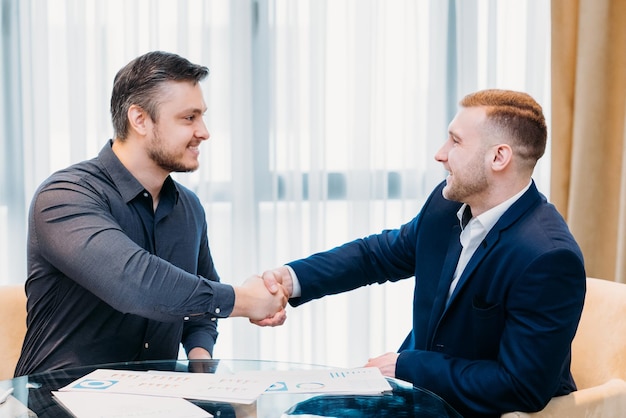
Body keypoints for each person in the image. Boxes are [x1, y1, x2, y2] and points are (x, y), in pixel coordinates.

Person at [259, 89, 586, 417]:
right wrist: (291, 279)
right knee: (299, 410)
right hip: (415, 393)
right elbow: (377, 255)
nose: (440, 154)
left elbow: (519, 386)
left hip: (472, 408)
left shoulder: (548, 257)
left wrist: (408, 366)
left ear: (499, 157)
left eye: (455, 142)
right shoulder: (446, 205)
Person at [15, 51, 286, 376]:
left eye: (202, 117)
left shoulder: (189, 208)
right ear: (139, 119)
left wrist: (200, 357)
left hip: (158, 399)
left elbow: (199, 301)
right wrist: (246, 301)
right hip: (58, 401)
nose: (204, 131)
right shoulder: (66, 196)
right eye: (189, 118)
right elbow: (137, 284)